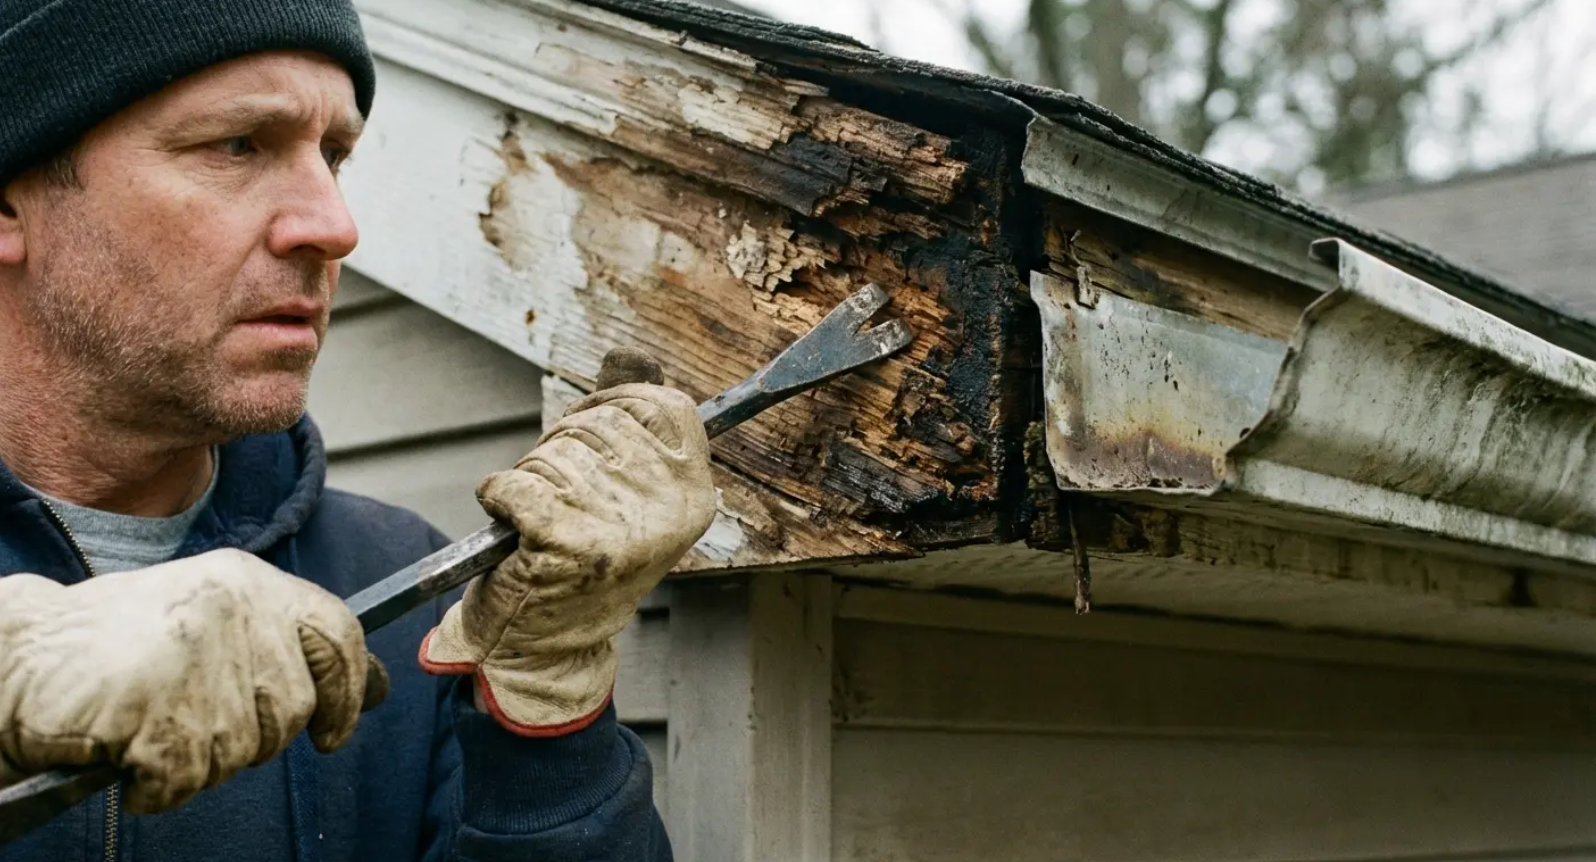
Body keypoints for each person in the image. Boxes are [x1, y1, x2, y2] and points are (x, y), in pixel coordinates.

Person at [0, 1, 716, 859]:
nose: (336, 226)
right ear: (11, 205)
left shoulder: (409, 593)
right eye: (239, 145)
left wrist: (545, 720)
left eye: (334, 155)